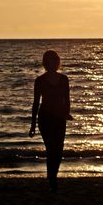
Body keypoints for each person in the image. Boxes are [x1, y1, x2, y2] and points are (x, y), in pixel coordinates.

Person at [29, 50, 72, 192]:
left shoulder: (64, 79)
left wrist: (67, 113)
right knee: (51, 149)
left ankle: (52, 176)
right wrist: (33, 125)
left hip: (59, 118)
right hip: (45, 118)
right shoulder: (40, 81)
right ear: (46, 63)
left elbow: (67, 99)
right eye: (50, 60)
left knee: (58, 150)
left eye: (55, 60)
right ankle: (52, 179)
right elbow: (36, 103)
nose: (53, 62)